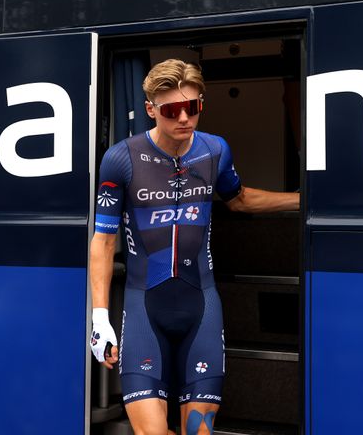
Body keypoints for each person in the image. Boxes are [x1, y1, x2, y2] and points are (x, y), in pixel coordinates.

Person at [88, 59, 300, 435]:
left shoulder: (215, 150)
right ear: (152, 110)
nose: (184, 117)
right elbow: (103, 243)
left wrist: (303, 200)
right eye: (172, 110)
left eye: (194, 107)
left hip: (200, 309)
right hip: (144, 310)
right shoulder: (121, 158)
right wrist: (100, 318)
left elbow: (240, 199)